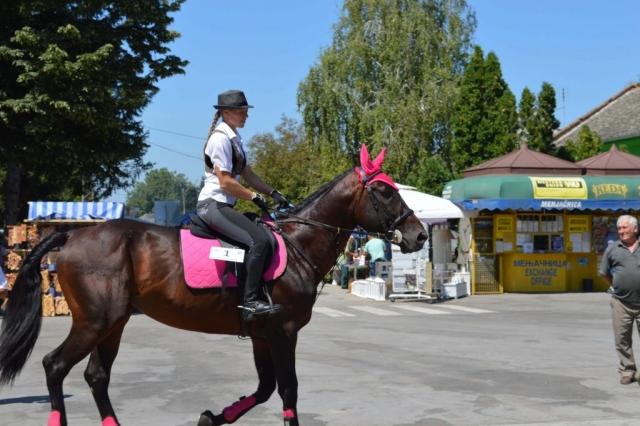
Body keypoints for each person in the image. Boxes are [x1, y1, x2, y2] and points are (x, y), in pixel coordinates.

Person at [197, 90, 289, 322]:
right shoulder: (219, 139)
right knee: (257, 241)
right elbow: (226, 182)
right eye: (241, 111)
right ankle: (250, 303)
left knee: (265, 235)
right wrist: (254, 198)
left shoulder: (234, 137)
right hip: (212, 205)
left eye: (246, 111)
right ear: (226, 113)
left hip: (224, 206)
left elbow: (247, 173)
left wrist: (273, 192)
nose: (246, 115)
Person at [599, 215, 640, 385]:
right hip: (621, 302)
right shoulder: (613, 248)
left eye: (624, 228)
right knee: (622, 338)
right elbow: (604, 272)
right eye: (619, 228)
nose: (621, 231)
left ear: (635, 229)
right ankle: (628, 370)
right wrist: (615, 286)